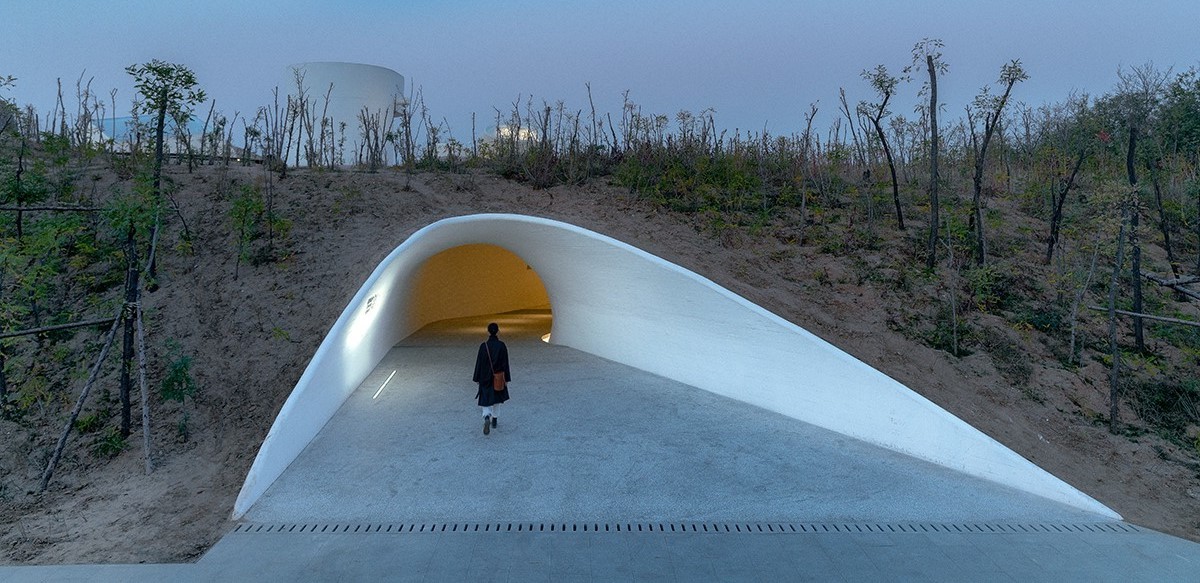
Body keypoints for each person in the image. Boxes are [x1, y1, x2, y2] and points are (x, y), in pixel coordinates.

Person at [473, 322, 510, 435]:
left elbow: (479, 363)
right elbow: (505, 363)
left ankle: (486, 416)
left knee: (485, 398)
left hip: (485, 377)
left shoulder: (483, 346)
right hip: (498, 377)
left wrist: (477, 378)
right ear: (498, 331)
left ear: (488, 331)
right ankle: (494, 419)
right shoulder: (502, 345)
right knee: (497, 398)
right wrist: (506, 379)